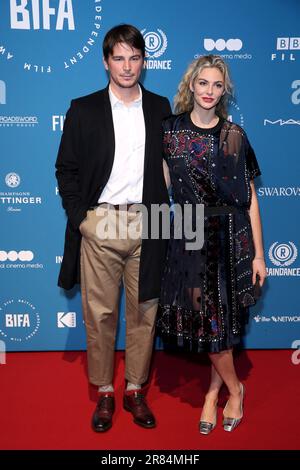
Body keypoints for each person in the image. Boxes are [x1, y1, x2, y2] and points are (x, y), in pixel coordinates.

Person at [55, 24, 171, 432]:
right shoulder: (83, 109)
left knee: (145, 311)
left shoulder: (160, 108)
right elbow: (65, 170)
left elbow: (171, 168)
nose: (127, 66)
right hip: (100, 222)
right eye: (119, 58)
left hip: (149, 221)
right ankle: (105, 391)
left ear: (144, 61)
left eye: (134, 57)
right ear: (106, 62)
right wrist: (83, 219)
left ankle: (135, 389)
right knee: (100, 314)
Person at [157, 55, 267, 434]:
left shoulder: (235, 135)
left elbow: (250, 198)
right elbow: (161, 188)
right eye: (202, 83)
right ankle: (235, 388)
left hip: (231, 236)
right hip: (189, 236)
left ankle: (216, 394)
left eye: (217, 85)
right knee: (207, 324)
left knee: (221, 326)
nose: (209, 91)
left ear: (224, 90)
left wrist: (260, 254)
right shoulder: (169, 132)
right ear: (191, 85)